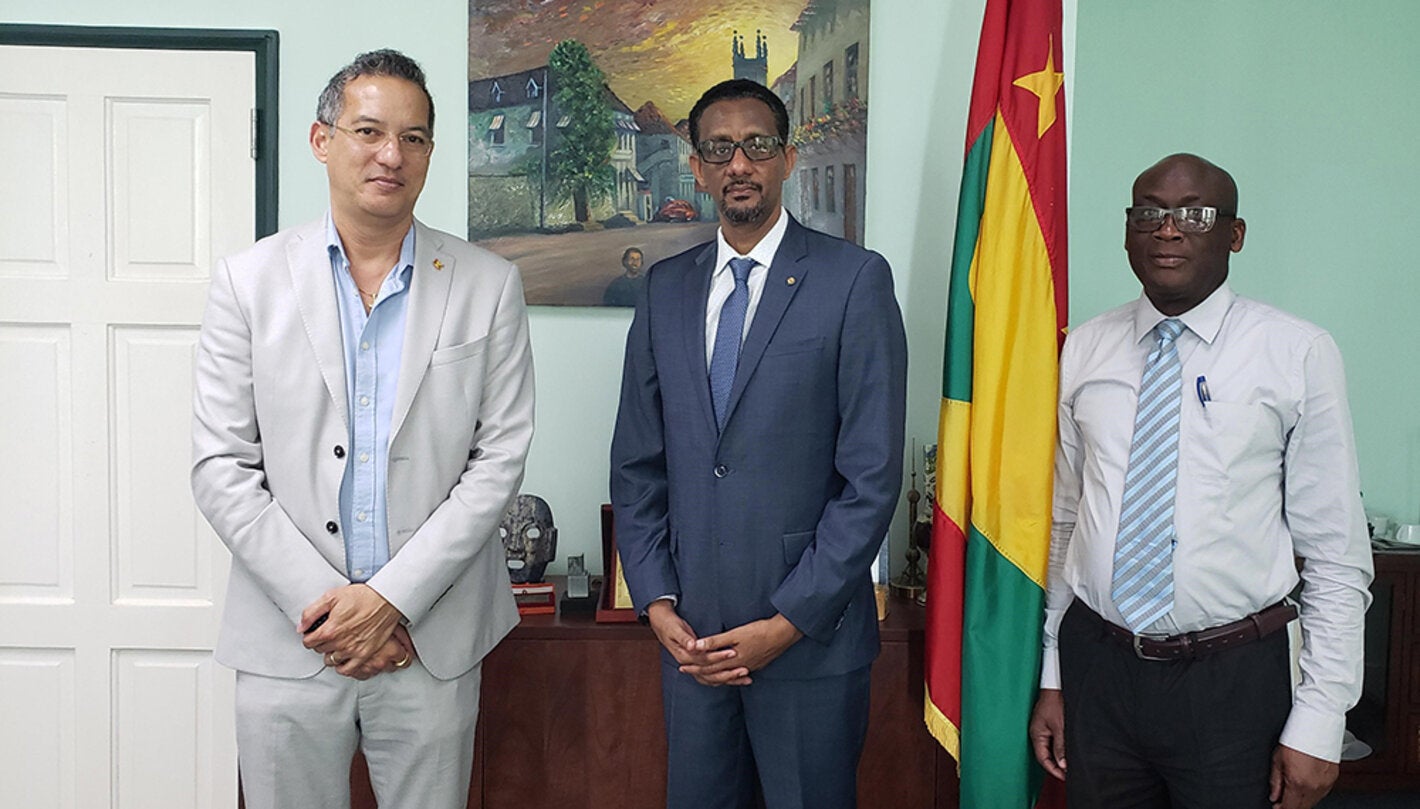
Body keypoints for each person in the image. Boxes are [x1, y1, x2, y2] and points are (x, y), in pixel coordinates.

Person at [191, 49, 534, 809]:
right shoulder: (248, 283)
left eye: (414, 138)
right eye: (369, 130)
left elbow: (499, 459)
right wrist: (331, 608)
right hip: (290, 640)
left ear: (431, 153)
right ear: (322, 140)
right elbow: (221, 466)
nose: (392, 155)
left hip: (429, 641)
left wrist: (392, 601)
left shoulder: (487, 283)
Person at [1028, 153, 1373, 809]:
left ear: (1234, 234)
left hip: (1233, 683)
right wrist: (1055, 674)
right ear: (1128, 229)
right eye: (1149, 213)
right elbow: (1068, 521)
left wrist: (1323, 717)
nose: (1168, 230)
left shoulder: (1297, 352)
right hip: (1099, 670)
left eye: (1194, 214)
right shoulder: (1086, 348)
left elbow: (1334, 553)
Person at [609, 78, 907, 809]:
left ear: (787, 159)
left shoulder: (854, 280)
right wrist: (657, 604)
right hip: (694, 647)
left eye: (757, 145)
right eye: (719, 148)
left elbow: (870, 476)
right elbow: (638, 464)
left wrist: (787, 621)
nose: (739, 162)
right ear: (699, 165)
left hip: (809, 641)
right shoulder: (666, 290)